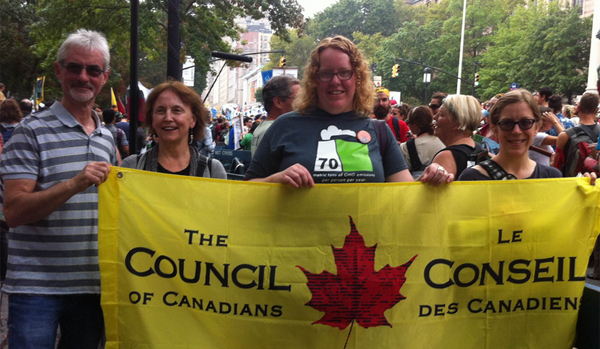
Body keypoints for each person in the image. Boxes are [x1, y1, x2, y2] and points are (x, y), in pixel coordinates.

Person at [0, 29, 117, 348]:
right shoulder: (29, 132)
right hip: (36, 288)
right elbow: (13, 213)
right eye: (74, 67)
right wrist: (74, 184)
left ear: (104, 77)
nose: (83, 77)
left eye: (93, 70)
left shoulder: (107, 138)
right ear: (58, 70)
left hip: (92, 286)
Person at [245, 35, 451, 186]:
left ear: (357, 78)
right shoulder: (285, 126)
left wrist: (430, 177)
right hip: (298, 244)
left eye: (344, 73)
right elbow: (246, 191)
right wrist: (275, 181)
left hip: (360, 243)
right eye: (326, 73)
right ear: (314, 79)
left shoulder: (379, 131)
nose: (335, 81)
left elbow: (405, 193)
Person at [121, 80, 226, 179]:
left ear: (193, 120)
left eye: (177, 110)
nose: (168, 118)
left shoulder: (213, 172)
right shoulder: (130, 167)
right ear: (152, 119)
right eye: (161, 111)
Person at [460, 89, 563, 180]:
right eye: (507, 123)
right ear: (495, 130)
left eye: (525, 122)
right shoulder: (471, 178)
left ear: (536, 127)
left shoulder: (552, 177)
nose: (516, 131)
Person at [430, 94, 484, 179]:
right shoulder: (479, 148)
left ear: (458, 123)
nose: (435, 117)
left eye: (441, 114)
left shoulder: (446, 157)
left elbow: (431, 191)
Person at [251, 75, 300, 158]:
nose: (303, 102)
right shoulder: (277, 130)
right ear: (278, 102)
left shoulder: (263, 127)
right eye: (298, 98)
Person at [400, 106, 445, 179]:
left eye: (408, 122)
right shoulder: (444, 141)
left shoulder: (406, 146)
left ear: (415, 125)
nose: (408, 125)